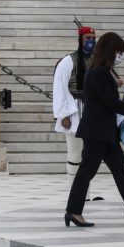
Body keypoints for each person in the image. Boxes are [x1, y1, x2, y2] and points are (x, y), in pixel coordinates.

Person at [64, 32, 124, 227]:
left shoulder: (102, 72)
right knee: (87, 172)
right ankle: (73, 211)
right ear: (110, 51)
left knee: (121, 169)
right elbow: (109, 103)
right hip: (96, 132)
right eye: (118, 52)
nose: (120, 56)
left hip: (105, 133)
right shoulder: (98, 73)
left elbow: (109, 102)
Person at [52, 25, 103, 200]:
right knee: (74, 154)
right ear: (80, 40)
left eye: (93, 38)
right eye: (87, 38)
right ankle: (74, 195)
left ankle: (85, 195)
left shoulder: (97, 60)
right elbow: (59, 87)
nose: (91, 41)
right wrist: (62, 114)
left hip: (91, 110)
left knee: (88, 157)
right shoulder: (68, 61)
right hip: (74, 111)